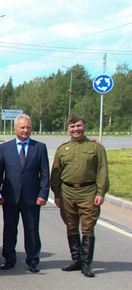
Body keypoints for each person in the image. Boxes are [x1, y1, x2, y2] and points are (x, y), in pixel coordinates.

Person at [51, 113, 109, 277]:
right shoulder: (62, 149)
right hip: (67, 193)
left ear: (84, 127)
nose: (76, 129)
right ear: (68, 129)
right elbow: (56, 173)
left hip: (88, 193)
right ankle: (76, 260)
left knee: (88, 227)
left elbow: (102, 170)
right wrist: (56, 194)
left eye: (78, 126)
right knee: (71, 226)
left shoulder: (95, 147)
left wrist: (101, 191)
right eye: (72, 126)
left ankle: (86, 263)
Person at [0, 114, 50, 274]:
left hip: (31, 197)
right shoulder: (5, 148)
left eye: (28, 127)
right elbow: (0, 173)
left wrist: (43, 194)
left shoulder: (39, 147)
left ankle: (33, 260)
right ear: (15, 129)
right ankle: (9, 258)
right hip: (10, 196)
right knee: (9, 229)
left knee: (32, 229)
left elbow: (45, 174)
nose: (25, 130)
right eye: (22, 127)